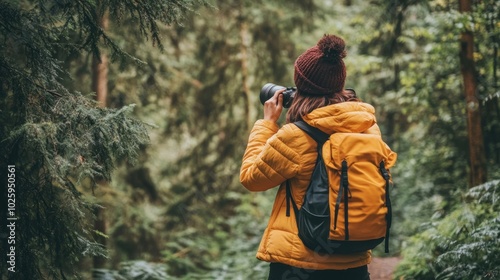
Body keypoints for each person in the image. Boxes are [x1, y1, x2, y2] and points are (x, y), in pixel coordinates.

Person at [240, 34, 380, 280]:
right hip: (353, 260)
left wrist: (267, 123)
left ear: (300, 85)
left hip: (301, 264)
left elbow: (251, 178)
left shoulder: (295, 136)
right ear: (340, 83)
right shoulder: (367, 128)